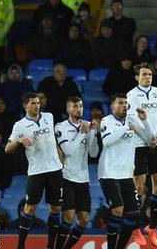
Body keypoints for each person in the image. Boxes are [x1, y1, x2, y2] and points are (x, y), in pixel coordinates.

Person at [4, 93, 63, 249]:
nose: (37, 106)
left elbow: (54, 140)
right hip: (36, 171)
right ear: (25, 106)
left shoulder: (49, 117)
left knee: (56, 208)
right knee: (30, 208)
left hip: (55, 169)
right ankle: (21, 245)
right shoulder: (20, 125)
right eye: (33, 103)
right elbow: (7, 149)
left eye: (38, 103)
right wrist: (18, 140)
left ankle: (50, 246)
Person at [98, 94, 154, 249]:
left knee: (134, 213)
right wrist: (126, 128)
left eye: (126, 103)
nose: (124, 105)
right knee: (118, 209)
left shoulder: (132, 119)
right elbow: (107, 141)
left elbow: (150, 139)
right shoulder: (107, 121)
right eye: (120, 103)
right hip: (109, 173)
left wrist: (144, 120)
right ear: (113, 107)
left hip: (126, 174)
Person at [126, 63, 157, 246]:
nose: (148, 77)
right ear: (137, 77)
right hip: (139, 145)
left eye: (150, 74)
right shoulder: (131, 95)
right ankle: (136, 229)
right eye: (144, 74)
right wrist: (147, 137)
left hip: (156, 144)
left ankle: (152, 228)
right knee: (139, 187)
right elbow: (133, 120)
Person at [54, 96, 100, 249]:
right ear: (68, 109)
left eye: (80, 106)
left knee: (84, 220)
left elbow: (93, 154)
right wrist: (82, 133)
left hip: (83, 179)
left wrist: (92, 133)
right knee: (68, 216)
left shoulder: (87, 126)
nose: (78, 109)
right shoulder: (61, 127)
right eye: (74, 106)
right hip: (66, 178)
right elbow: (68, 151)